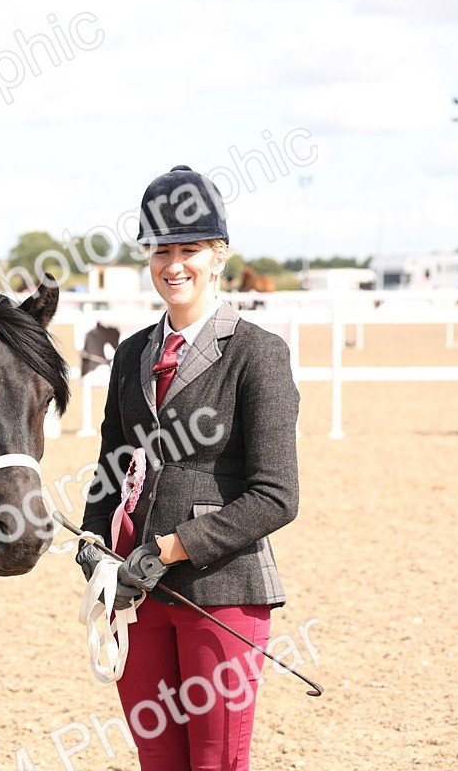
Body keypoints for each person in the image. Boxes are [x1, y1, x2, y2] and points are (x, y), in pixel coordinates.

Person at [76, 165, 300, 771]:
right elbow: (113, 463)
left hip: (222, 592)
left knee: (215, 762)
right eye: (161, 251)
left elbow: (277, 495)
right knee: (159, 763)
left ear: (218, 256)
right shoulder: (131, 354)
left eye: (189, 250)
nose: (174, 266)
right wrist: (95, 538)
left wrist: (174, 546)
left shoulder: (258, 354)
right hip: (135, 591)